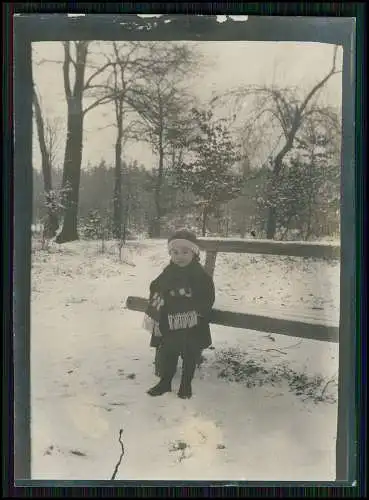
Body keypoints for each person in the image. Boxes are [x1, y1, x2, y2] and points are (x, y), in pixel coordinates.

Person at [143, 229, 215, 399]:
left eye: (184, 252)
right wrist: (161, 294)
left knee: (190, 354)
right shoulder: (169, 271)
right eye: (175, 252)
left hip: (193, 323)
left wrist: (197, 310)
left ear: (194, 253)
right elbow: (156, 285)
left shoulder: (199, 274)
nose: (179, 256)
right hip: (170, 321)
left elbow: (208, 295)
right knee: (169, 352)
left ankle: (185, 384)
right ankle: (165, 382)